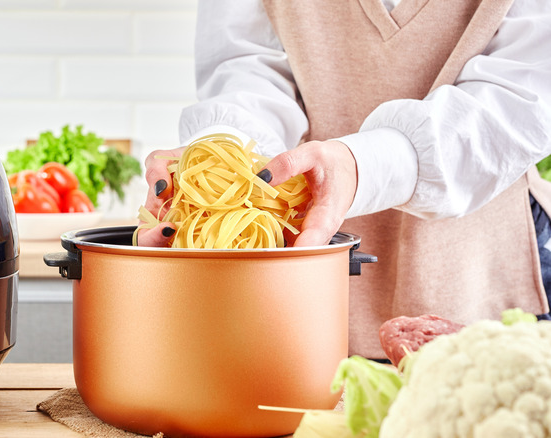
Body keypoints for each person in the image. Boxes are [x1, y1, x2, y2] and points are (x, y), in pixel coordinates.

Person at [137, 0, 551, 359]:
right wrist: (220, 152)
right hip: (299, 272)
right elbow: (246, 62)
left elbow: (526, 92)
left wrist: (364, 166)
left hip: (483, 263)